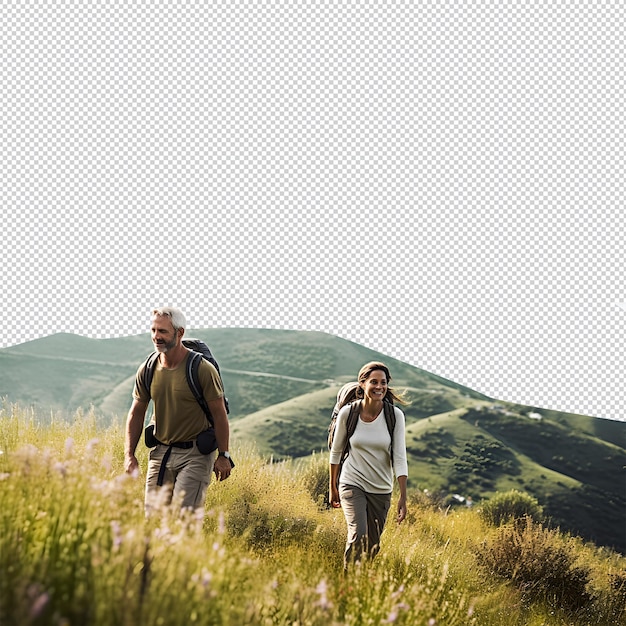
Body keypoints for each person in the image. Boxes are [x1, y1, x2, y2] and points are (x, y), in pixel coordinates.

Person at [124, 307, 233, 514]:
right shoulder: (148, 369)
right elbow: (136, 413)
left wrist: (223, 455)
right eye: (153, 330)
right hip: (160, 452)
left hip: (196, 455)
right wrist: (129, 455)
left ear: (179, 333)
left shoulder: (201, 369)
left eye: (163, 331)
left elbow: (220, 415)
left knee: (186, 521)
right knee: (153, 519)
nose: (156, 337)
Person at [329, 361, 408, 568]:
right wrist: (333, 487)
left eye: (383, 382)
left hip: (381, 489)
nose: (379, 387)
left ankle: (361, 582)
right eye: (374, 382)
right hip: (352, 482)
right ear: (362, 384)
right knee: (358, 535)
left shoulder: (395, 416)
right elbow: (336, 452)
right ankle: (347, 588)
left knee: (372, 545)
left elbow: (399, 458)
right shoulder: (349, 413)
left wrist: (403, 496)